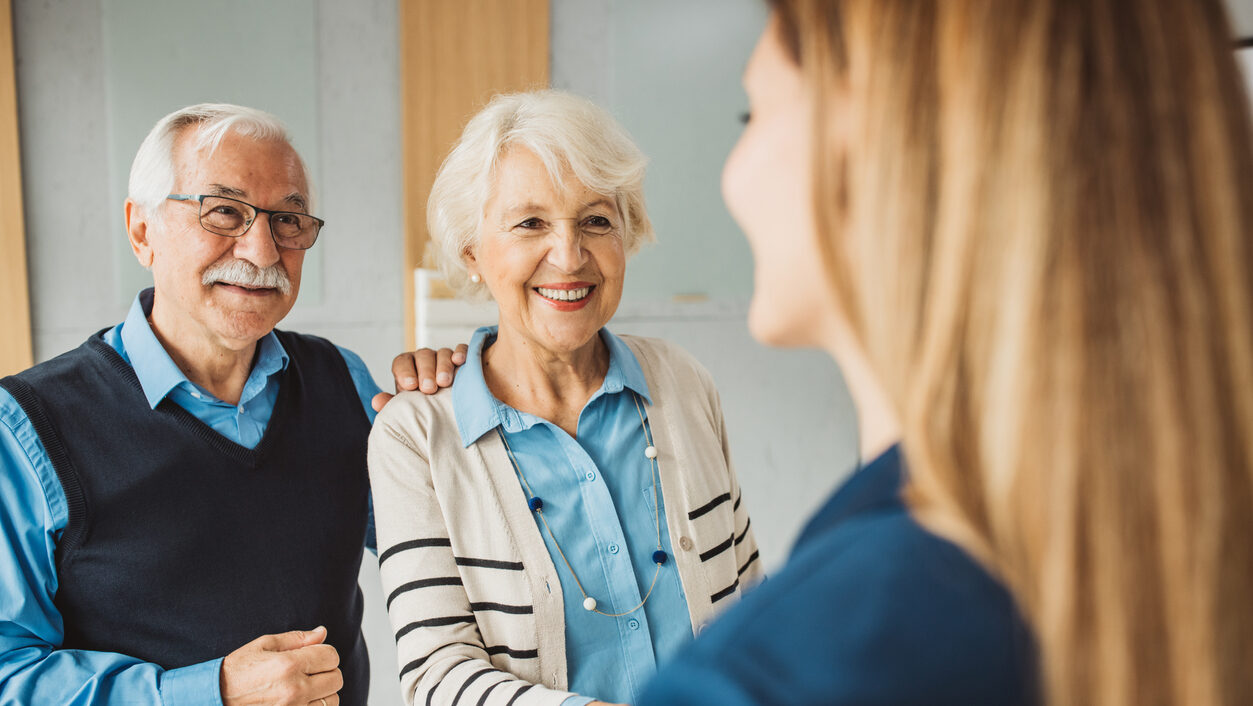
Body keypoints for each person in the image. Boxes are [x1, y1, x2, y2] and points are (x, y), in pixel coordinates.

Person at [643, 0, 1253, 703]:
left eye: (751, 116)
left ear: (874, 134)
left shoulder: (779, 671)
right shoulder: (1181, 552)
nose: (730, 177)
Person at [0, 103, 454, 706]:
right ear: (142, 231)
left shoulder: (340, 379)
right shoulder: (26, 426)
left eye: (289, 221)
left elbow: (448, 546)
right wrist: (207, 692)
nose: (264, 251)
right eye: (224, 213)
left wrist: (460, 415)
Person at [368, 90, 763, 706]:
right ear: (473, 252)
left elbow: (750, 605)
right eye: (530, 223)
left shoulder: (683, 384)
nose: (570, 256)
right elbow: (434, 676)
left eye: (596, 220)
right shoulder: (414, 435)